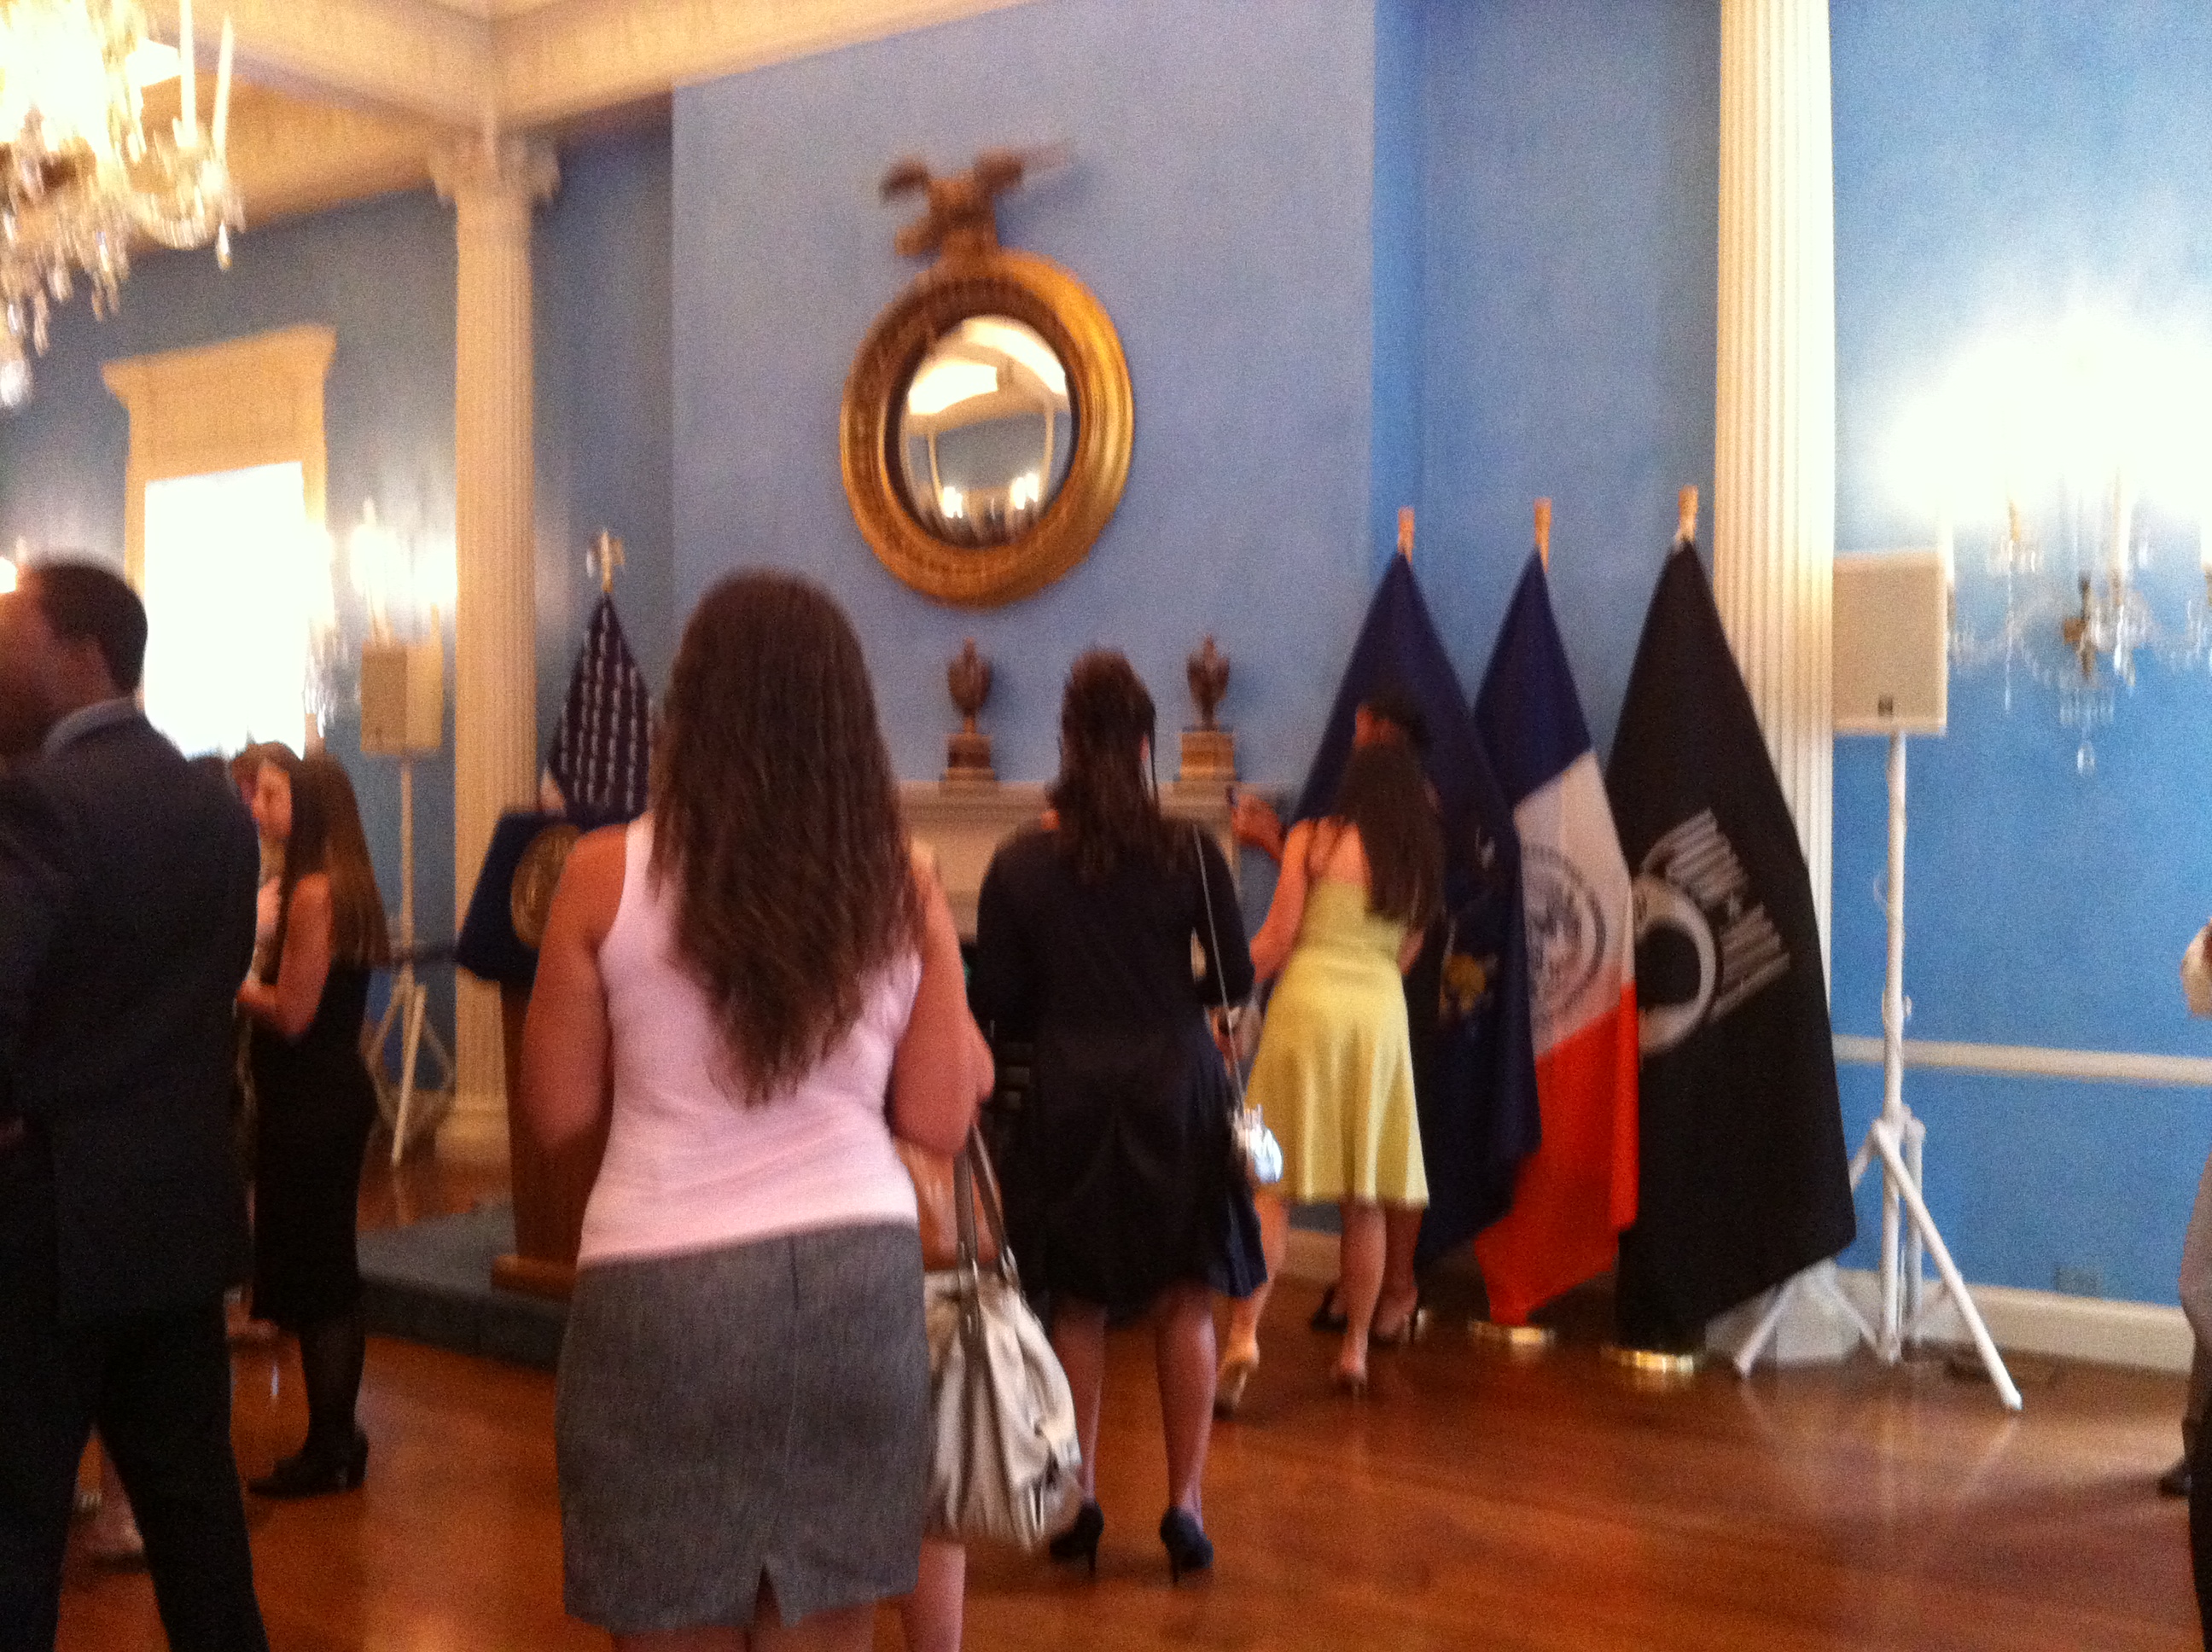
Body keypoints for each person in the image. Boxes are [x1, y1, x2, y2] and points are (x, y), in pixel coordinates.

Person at [521, 570, 989, 1651]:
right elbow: (938, 1118)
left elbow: (552, 1113)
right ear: (850, 720)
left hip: (662, 1288)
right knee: (823, 1627)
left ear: (687, 712)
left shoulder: (600, 876)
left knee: (669, 1623)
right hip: (855, 1280)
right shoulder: (901, 883)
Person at [0, 560, 269, 1648]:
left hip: (49, 1219)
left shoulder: (41, 800)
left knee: (15, 1528)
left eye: (8, 633)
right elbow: (208, 993)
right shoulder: (218, 810)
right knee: (198, 1524)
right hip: (179, 1211)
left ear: (82, 654)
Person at [968, 650, 1263, 1583]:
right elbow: (1233, 978)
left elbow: (998, 1001)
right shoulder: (1190, 852)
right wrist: (1169, 995)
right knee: (1185, 1298)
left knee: (1080, 1305)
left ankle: (1080, 1498)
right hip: (1175, 1089)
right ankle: (1186, 1506)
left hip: (1069, 1095)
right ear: (1144, 747)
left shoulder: (1020, 863)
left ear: (1065, 743)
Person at [1219, 740, 1443, 1402]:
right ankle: (1355, 1352)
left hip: (1306, 1010)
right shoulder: (1420, 861)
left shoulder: (1313, 839)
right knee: (1365, 1199)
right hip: (1378, 1021)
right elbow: (1404, 957)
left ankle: (1243, 1335)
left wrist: (1219, 988)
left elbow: (1277, 938)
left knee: (1271, 1188)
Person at [234, 749, 389, 1498]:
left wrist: (231, 981)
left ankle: (330, 1444)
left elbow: (292, 1013)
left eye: (275, 793)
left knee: (323, 1279)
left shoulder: (313, 893)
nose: (262, 809)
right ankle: (336, 1437)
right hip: (328, 1095)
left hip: (312, 1104)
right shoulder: (348, 884)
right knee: (328, 1271)